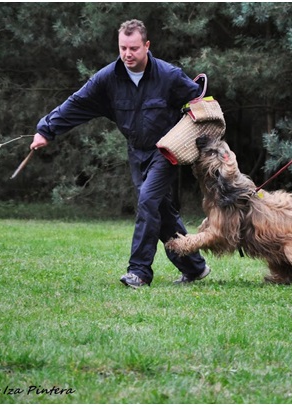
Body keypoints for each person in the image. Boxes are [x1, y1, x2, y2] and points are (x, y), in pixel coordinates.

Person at [30, 19, 210, 289]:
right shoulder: (108, 79)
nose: (127, 54)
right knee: (159, 209)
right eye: (123, 48)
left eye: (134, 48)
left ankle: (138, 272)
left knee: (148, 202)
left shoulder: (169, 75)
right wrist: (46, 130)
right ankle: (194, 267)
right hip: (136, 152)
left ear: (147, 46)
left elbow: (200, 104)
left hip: (166, 151)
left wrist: (202, 139)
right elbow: (78, 103)